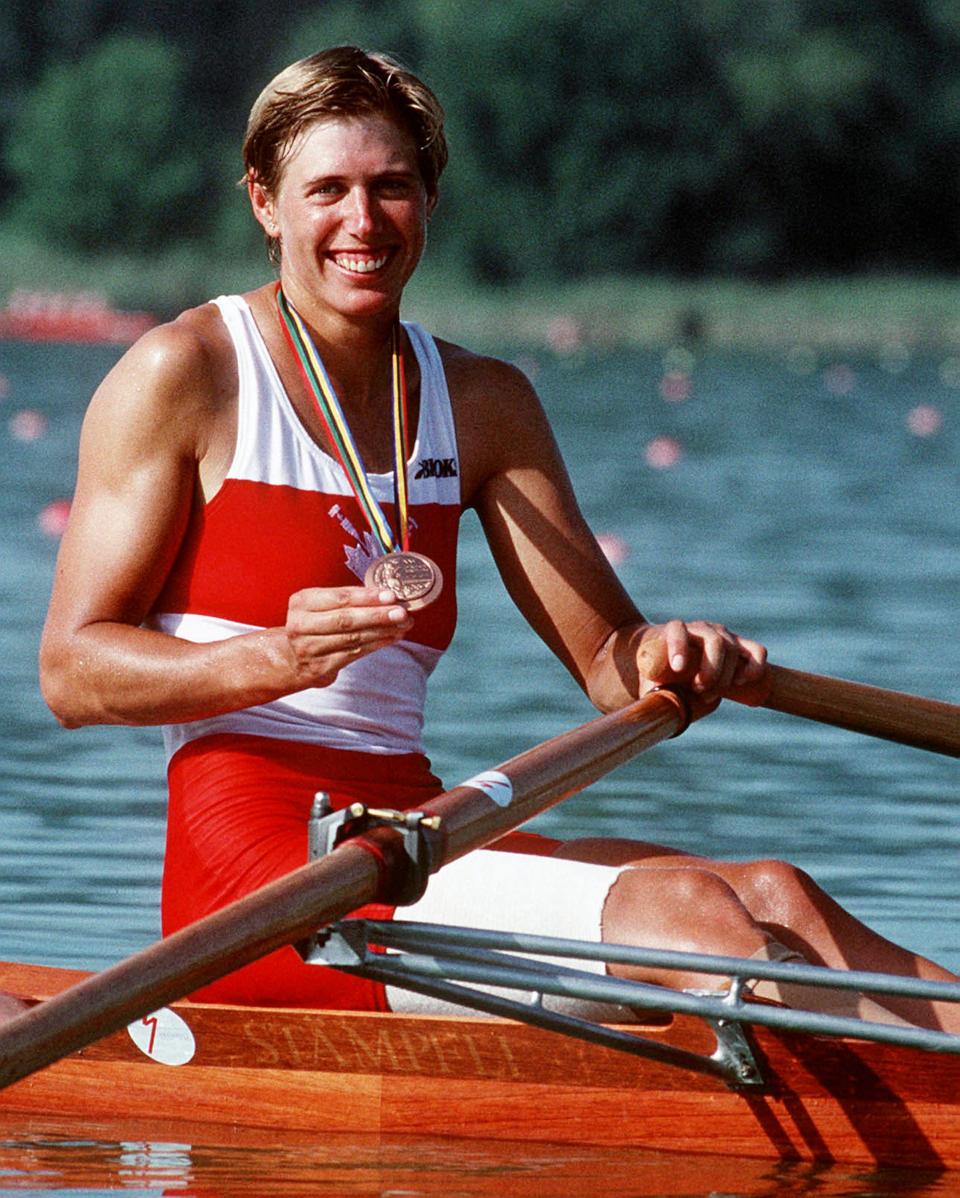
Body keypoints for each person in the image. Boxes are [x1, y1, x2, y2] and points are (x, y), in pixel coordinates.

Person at [39, 47, 958, 1031]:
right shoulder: (185, 374)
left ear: (429, 199)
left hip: (416, 832)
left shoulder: (484, 405)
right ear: (265, 202)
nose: (362, 220)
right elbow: (72, 672)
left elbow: (613, 666)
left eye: (392, 186)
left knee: (780, 895)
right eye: (328, 190)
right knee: (685, 914)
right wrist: (276, 656)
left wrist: (669, 652)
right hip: (260, 883)